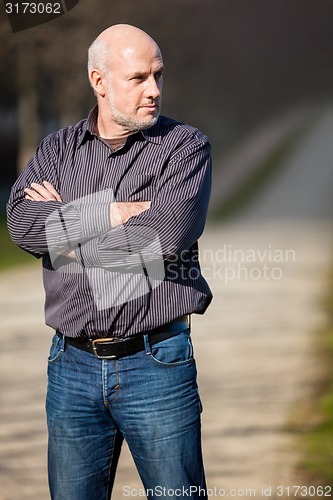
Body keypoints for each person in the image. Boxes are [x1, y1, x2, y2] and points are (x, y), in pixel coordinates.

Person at [7, 24, 212, 500]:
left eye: (158, 75)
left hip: (157, 363)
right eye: (138, 78)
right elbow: (20, 225)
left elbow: (165, 237)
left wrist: (62, 237)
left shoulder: (184, 147)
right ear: (99, 81)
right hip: (70, 366)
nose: (155, 90)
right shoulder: (57, 150)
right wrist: (112, 212)